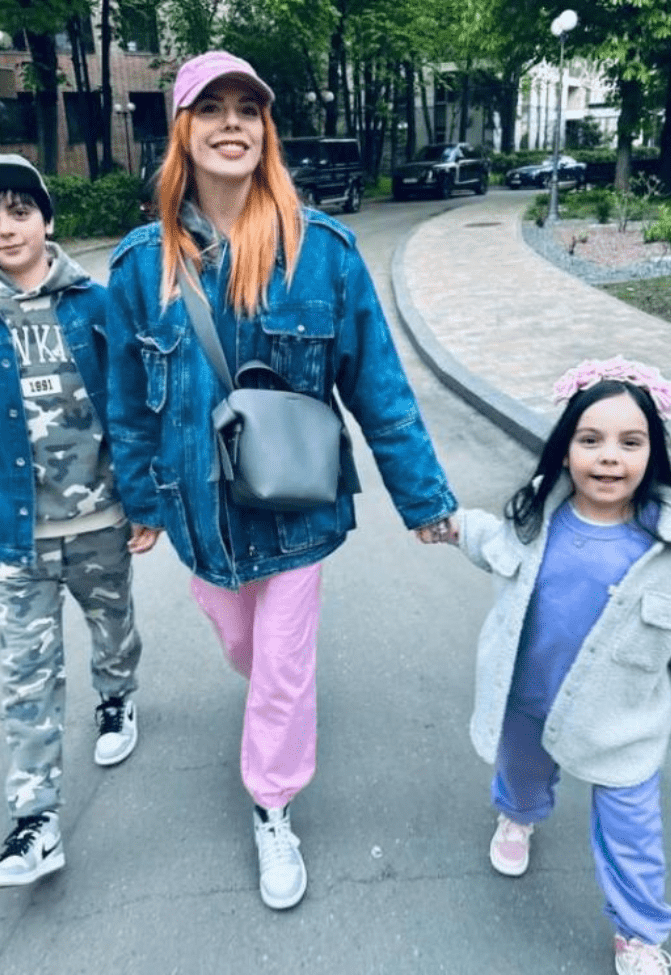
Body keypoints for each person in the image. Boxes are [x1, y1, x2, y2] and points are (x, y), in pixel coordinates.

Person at [102, 51, 458, 911]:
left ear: (265, 130)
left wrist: (423, 497)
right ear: (182, 131)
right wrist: (140, 502)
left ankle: (272, 800)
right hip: (201, 517)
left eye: (247, 109)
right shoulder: (139, 266)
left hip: (297, 511)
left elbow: (379, 385)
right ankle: (272, 697)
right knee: (244, 647)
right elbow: (127, 403)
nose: (232, 123)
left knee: (283, 667)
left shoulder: (322, 252)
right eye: (211, 108)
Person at [451, 357, 671, 975]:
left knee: (633, 837)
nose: (609, 457)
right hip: (528, 700)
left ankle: (639, 934)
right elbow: (492, 543)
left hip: (622, 729)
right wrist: (451, 526)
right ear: (565, 448)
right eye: (590, 440)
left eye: (630, 442)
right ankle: (518, 817)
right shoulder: (536, 518)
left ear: (653, 453)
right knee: (522, 775)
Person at [0, 153, 146, 892]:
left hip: (100, 517)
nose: (5, 228)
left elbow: (129, 407)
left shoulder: (94, 304)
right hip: (17, 535)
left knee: (112, 625)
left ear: (46, 220)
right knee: (26, 677)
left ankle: (116, 697)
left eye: (19, 212)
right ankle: (35, 821)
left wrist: (144, 502)